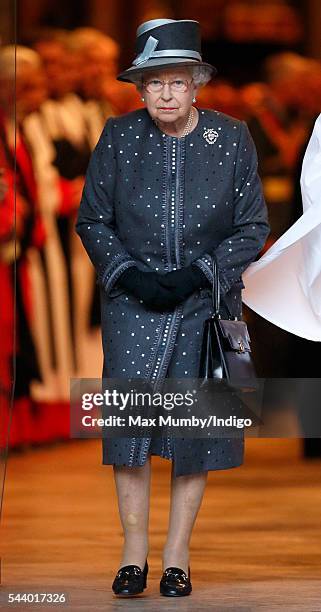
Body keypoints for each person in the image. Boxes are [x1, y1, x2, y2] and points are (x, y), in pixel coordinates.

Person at [75, 18, 269, 598]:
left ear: (197, 85)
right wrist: (128, 274)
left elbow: (251, 225)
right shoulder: (118, 136)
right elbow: (92, 219)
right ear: (139, 88)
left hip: (205, 307)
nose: (165, 93)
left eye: (177, 82)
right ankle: (132, 555)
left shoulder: (232, 139)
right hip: (132, 305)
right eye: (154, 82)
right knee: (130, 431)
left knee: (196, 435)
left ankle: (177, 556)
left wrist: (201, 274)